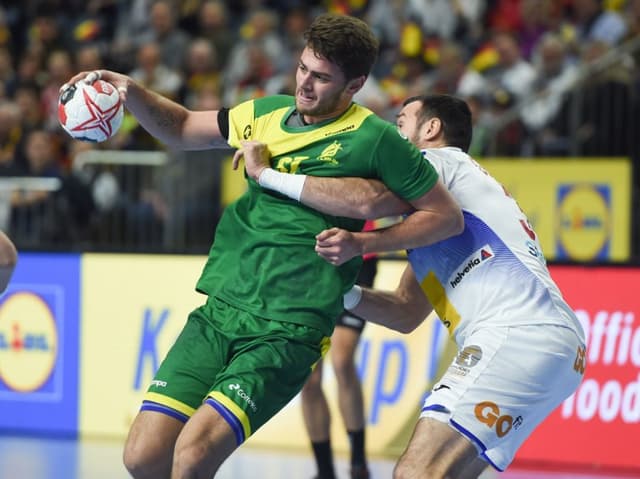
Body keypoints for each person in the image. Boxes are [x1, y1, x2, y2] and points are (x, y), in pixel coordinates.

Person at [61, 15, 463, 479]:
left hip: (289, 326)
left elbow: (444, 217)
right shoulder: (266, 113)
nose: (305, 85)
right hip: (223, 307)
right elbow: (184, 128)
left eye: (321, 77)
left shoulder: (375, 139)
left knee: (192, 454)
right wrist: (132, 92)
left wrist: (364, 242)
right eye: (303, 69)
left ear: (355, 84)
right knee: (143, 456)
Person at [241, 94, 586, 478]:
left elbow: (368, 201)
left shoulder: (438, 161)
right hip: (555, 348)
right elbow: (405, 311)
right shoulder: (443, 210)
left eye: (400, 122)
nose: (389, 133)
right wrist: (339, 291)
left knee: (414, 472)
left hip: (516, 333)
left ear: (431, 129)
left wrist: (267, 175)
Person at [301, 220, 378, 479]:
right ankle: (324, 471)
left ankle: (358, 462)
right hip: (307, 262)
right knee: (309, 376)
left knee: (342, 360)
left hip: (356, 255)